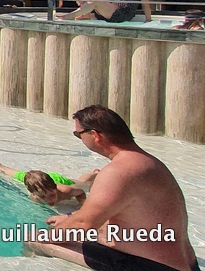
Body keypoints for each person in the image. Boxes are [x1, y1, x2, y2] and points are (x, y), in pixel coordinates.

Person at [26, 105, 200, 271]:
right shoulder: (149, 163)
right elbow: (118, 216)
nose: (79, 139)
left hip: (150, 266)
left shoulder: (118, 172)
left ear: (95, 135)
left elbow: (83, 224)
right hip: (185, 264)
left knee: (34, 239)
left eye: (78, 134)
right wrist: (71, 217)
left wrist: (52, 234)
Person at [0, 150, 97, 206]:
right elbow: (0, 167)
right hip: (37, 179)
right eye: (42, 197)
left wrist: (82, 204)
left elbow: (80, 192)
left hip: (57, 180)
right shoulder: (30, 188)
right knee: (2, 170)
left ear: (55, 188)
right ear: (32, 193)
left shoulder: (64, 189)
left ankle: (96, 173)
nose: (48, 199)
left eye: (51, 195)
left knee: (84, 182)